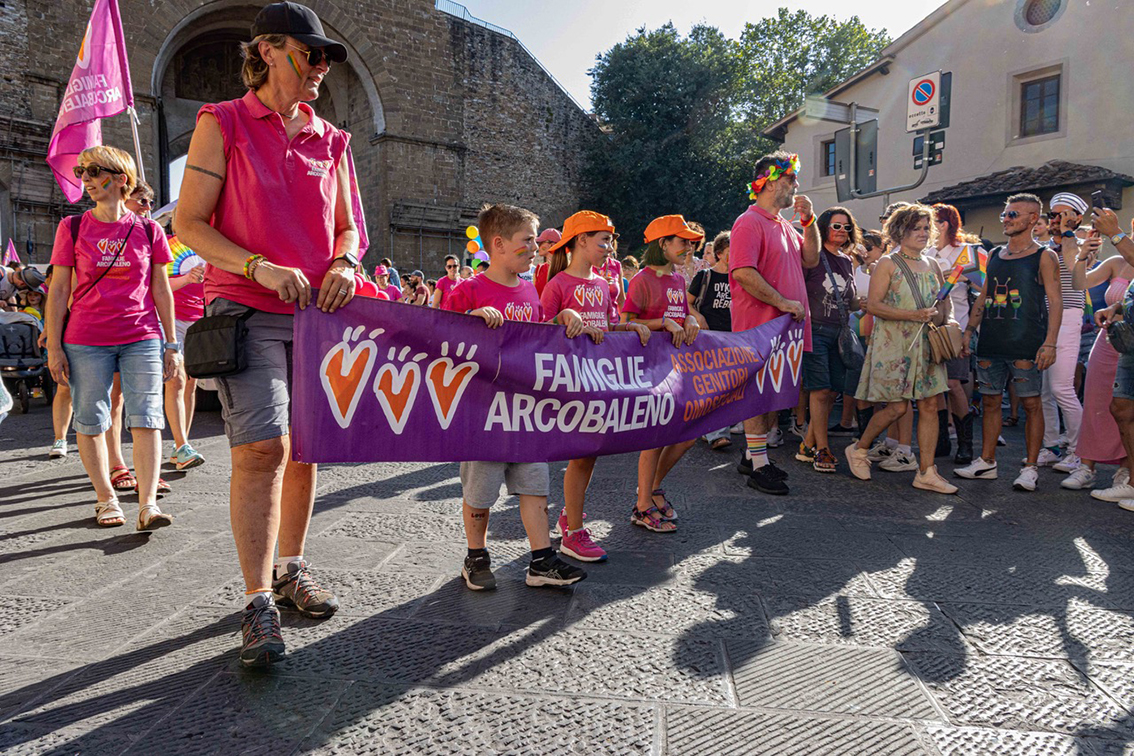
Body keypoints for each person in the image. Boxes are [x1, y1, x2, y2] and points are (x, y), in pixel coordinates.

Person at [176, 2, 357, 668]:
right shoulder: (219, 122)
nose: (322, 67)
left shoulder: (334, 140)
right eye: (312, 54)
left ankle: (291, 567)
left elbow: (349, 228)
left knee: (306, 449)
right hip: (245, 311)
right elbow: (189, 225)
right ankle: (258, 601)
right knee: (264, 449)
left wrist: (344, 261)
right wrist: (256, 265)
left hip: (317, 317)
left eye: (327, 57)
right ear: (269, 50)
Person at [444, 203, 587, 589]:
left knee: (535, 485)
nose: (536, 248)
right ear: (499, 244)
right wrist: (470, 322)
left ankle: (541, 559)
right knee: (481, 491)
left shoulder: (529, 289)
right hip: (482, 413)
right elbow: (440, 344)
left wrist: (560, 320)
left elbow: (535, 337)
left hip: (525, 410)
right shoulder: (467, 291)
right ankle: (476, 556)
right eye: (527, 241)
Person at [45, 145, 180, 529]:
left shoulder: (149, 229)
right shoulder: (71, 227)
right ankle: (105, 499)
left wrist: (172, 345)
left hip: (142, 335)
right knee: (91, 419)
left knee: (147, 419)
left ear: (120, 179)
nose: (85, 180)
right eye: (82, 172)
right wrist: (54, 345)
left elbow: (161, 290)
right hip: (86, 338)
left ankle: (148, 503)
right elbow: (58, 291)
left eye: (93, 172)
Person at [540, 210, 650, 562]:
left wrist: (630, 328)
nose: (608, 247)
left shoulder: (603, 285)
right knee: (582, 454)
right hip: (569, 381)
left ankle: (569, 516)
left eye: (610, 241)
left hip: (597, 380)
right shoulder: (557, 284)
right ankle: (573, 532)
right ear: (580, 241)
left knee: (588, 456)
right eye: (602, 240)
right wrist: (562, 318)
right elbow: (538, 330)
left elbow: (607, 326)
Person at [843, 204, 956, 493]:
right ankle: (859, 449)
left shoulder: (932, 264)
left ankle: (926, 471)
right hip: (895, 344)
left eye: (924, 228)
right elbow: (876, 305)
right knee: (896, 407)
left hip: (926, 344)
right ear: (899, 231)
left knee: (930, 404)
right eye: (914, 228)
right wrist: (913, 315)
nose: (921, 233)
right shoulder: (888, 264)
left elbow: (944, 301)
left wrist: (950, 321)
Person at [954, 194, 1063, 491]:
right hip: (991, 340)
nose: (1006, 219)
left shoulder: (1044, 255)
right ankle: (986, 462)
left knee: (1031, 404)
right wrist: (969, 331)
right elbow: (986, 294)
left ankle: (1030, 468)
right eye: (1005, 214)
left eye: (1013, 214)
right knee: (990, 402)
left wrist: (1050, 342)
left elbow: (1056, 300)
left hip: (1026, 341)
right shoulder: (996, 254)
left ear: (1032, 219)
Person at [729, 152, 819, 495]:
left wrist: (809, 222)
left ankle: (754, 456)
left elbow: (810, 258)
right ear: (768, 181)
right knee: (757, 393)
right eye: (790, 179)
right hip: (760, 326)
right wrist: (781, 302)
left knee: (771, 395)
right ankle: (758, 465)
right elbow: (743, 272)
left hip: (784, 329)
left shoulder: (784, 224)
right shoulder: (748, 222)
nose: (796, 185)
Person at [622, 215, 702, 530]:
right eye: (682, 242)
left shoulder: (678, 280)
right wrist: (663, 324)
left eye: (690, 242)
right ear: (663, 244)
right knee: (654, 438)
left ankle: (651, 489)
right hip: (648, 368)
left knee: (688, 436)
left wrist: (690, 319)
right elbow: (625, 323)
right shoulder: (642, 278)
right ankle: (643, 505)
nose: (688, 247)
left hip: (675, 367)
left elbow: (681, 314)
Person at [1060, 236, 1134, 494]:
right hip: (1108, 341)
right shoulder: (1117, 262)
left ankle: (1125, 470)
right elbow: (1080, 283)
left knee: (1127, 410)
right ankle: (1086, 467)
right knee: (1094, 404)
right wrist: (1081, 255)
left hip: (1131, 346)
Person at [798, 207, 864, 473]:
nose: (841, 231)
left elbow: (849, 301)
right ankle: (821, 450)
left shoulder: (847, 261)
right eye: (836, 226)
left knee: (833, 390)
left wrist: (865, 303)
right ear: (824, 227)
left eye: (846, 227)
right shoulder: (814, 255)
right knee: (820, 389)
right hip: (814, 329)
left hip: (839, 331)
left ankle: (807, 445)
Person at [1039, 193, 1093, 469]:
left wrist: (1068, 233)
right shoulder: (1044, 246)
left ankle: (1079, 450)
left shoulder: (1084, 244)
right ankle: (1051, 447)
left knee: (1062, 388)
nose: (1056, 220)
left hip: (1069, 315)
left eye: (1063, 214)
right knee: (1045, 390)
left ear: (1077, 218)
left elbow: (1075, 270)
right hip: (1044, 316)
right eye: (1053, 214)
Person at [931, 203, 983, 465]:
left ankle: (965, 444)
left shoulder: (967, 251)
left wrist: (962, 277)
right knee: (934, 387)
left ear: (945, 224)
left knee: (953, 384)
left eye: (933, 222)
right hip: (929, 327)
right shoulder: (925, 252)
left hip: (957, 326)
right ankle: (940, 440)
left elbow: (985, 284)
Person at [164, 229, 207, 470]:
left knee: (190, 383)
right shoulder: (168, 245)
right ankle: (181, 445)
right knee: (176, 381)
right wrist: (188, 278)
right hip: (172, 319)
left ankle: (181, 445)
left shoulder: (209, 246)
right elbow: (158, 285)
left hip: (199, 320)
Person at [688, 231, 733, 450]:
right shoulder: (705, 276)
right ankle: (717, 433)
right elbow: (686, 303)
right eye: (730, 250)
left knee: (725, 385)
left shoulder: (740, 277)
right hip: (708, 337)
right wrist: (699, 317)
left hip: (732, 337)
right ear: (719, 253)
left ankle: (710, 429)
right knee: (712, 384)